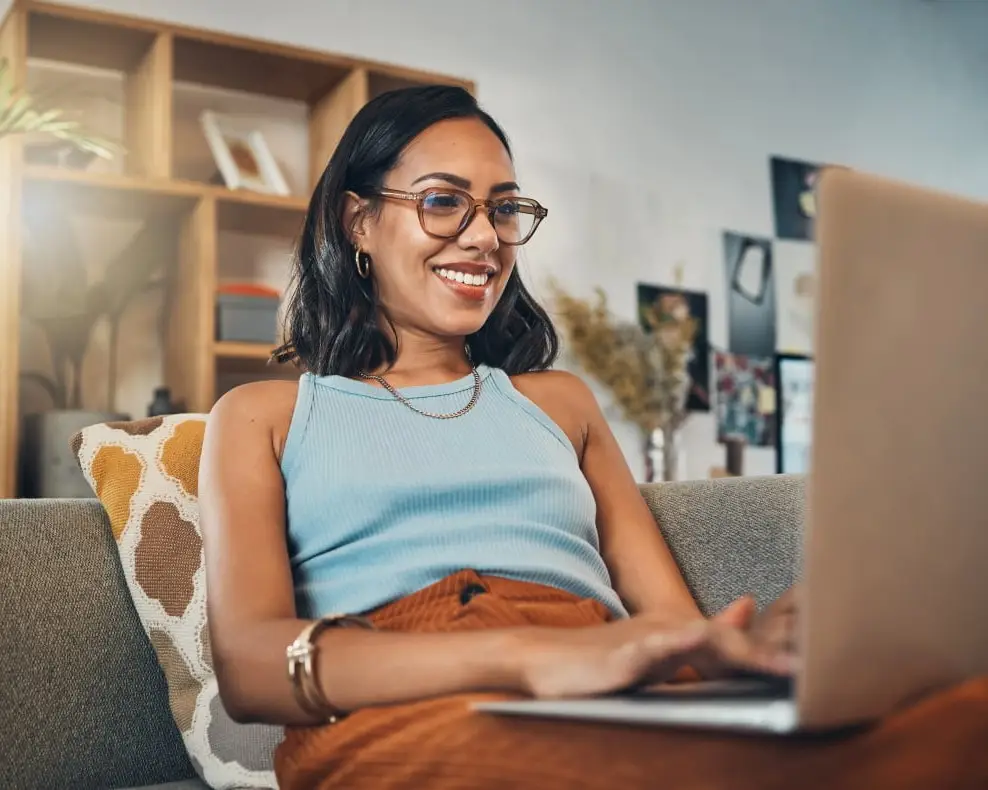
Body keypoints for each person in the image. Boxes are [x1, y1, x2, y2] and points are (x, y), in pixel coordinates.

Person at [198, 86, 987, 790]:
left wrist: (765, 643)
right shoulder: (264, 416)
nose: (484, 239)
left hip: (607, 682)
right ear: (358, 220)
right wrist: (522, 656)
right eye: (445, 201)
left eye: (503, 209)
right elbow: (254, 668)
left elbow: (673, 635)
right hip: (402, 704)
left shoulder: (561, 403)